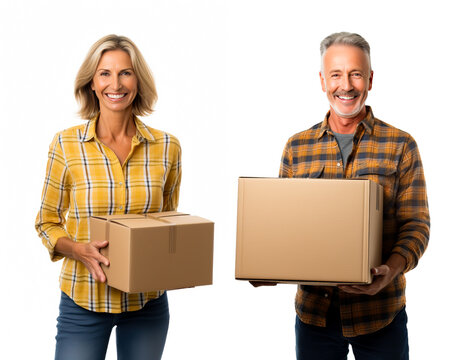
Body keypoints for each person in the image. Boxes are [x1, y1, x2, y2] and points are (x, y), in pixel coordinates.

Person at [261, 32, 429, 359]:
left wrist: (390, 271)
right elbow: (283, 229)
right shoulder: (297, 148)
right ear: (323, 81)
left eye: (355, 74)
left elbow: (416, 225)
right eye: (336, 74)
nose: (346, 85)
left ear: (370, 79)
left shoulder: (401, 146)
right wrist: (267, 267)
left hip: (381, 316)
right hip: (315, 319)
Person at [35, 34, 181, 360]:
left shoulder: (167, 147)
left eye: (125, 72)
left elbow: (168, 222)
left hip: (146, 302)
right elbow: (46, 223)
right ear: (91, 83)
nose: (116, 83)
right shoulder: (66, 145)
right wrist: (78, 250)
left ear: (138, 81)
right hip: (83, 300)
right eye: (105, 73)